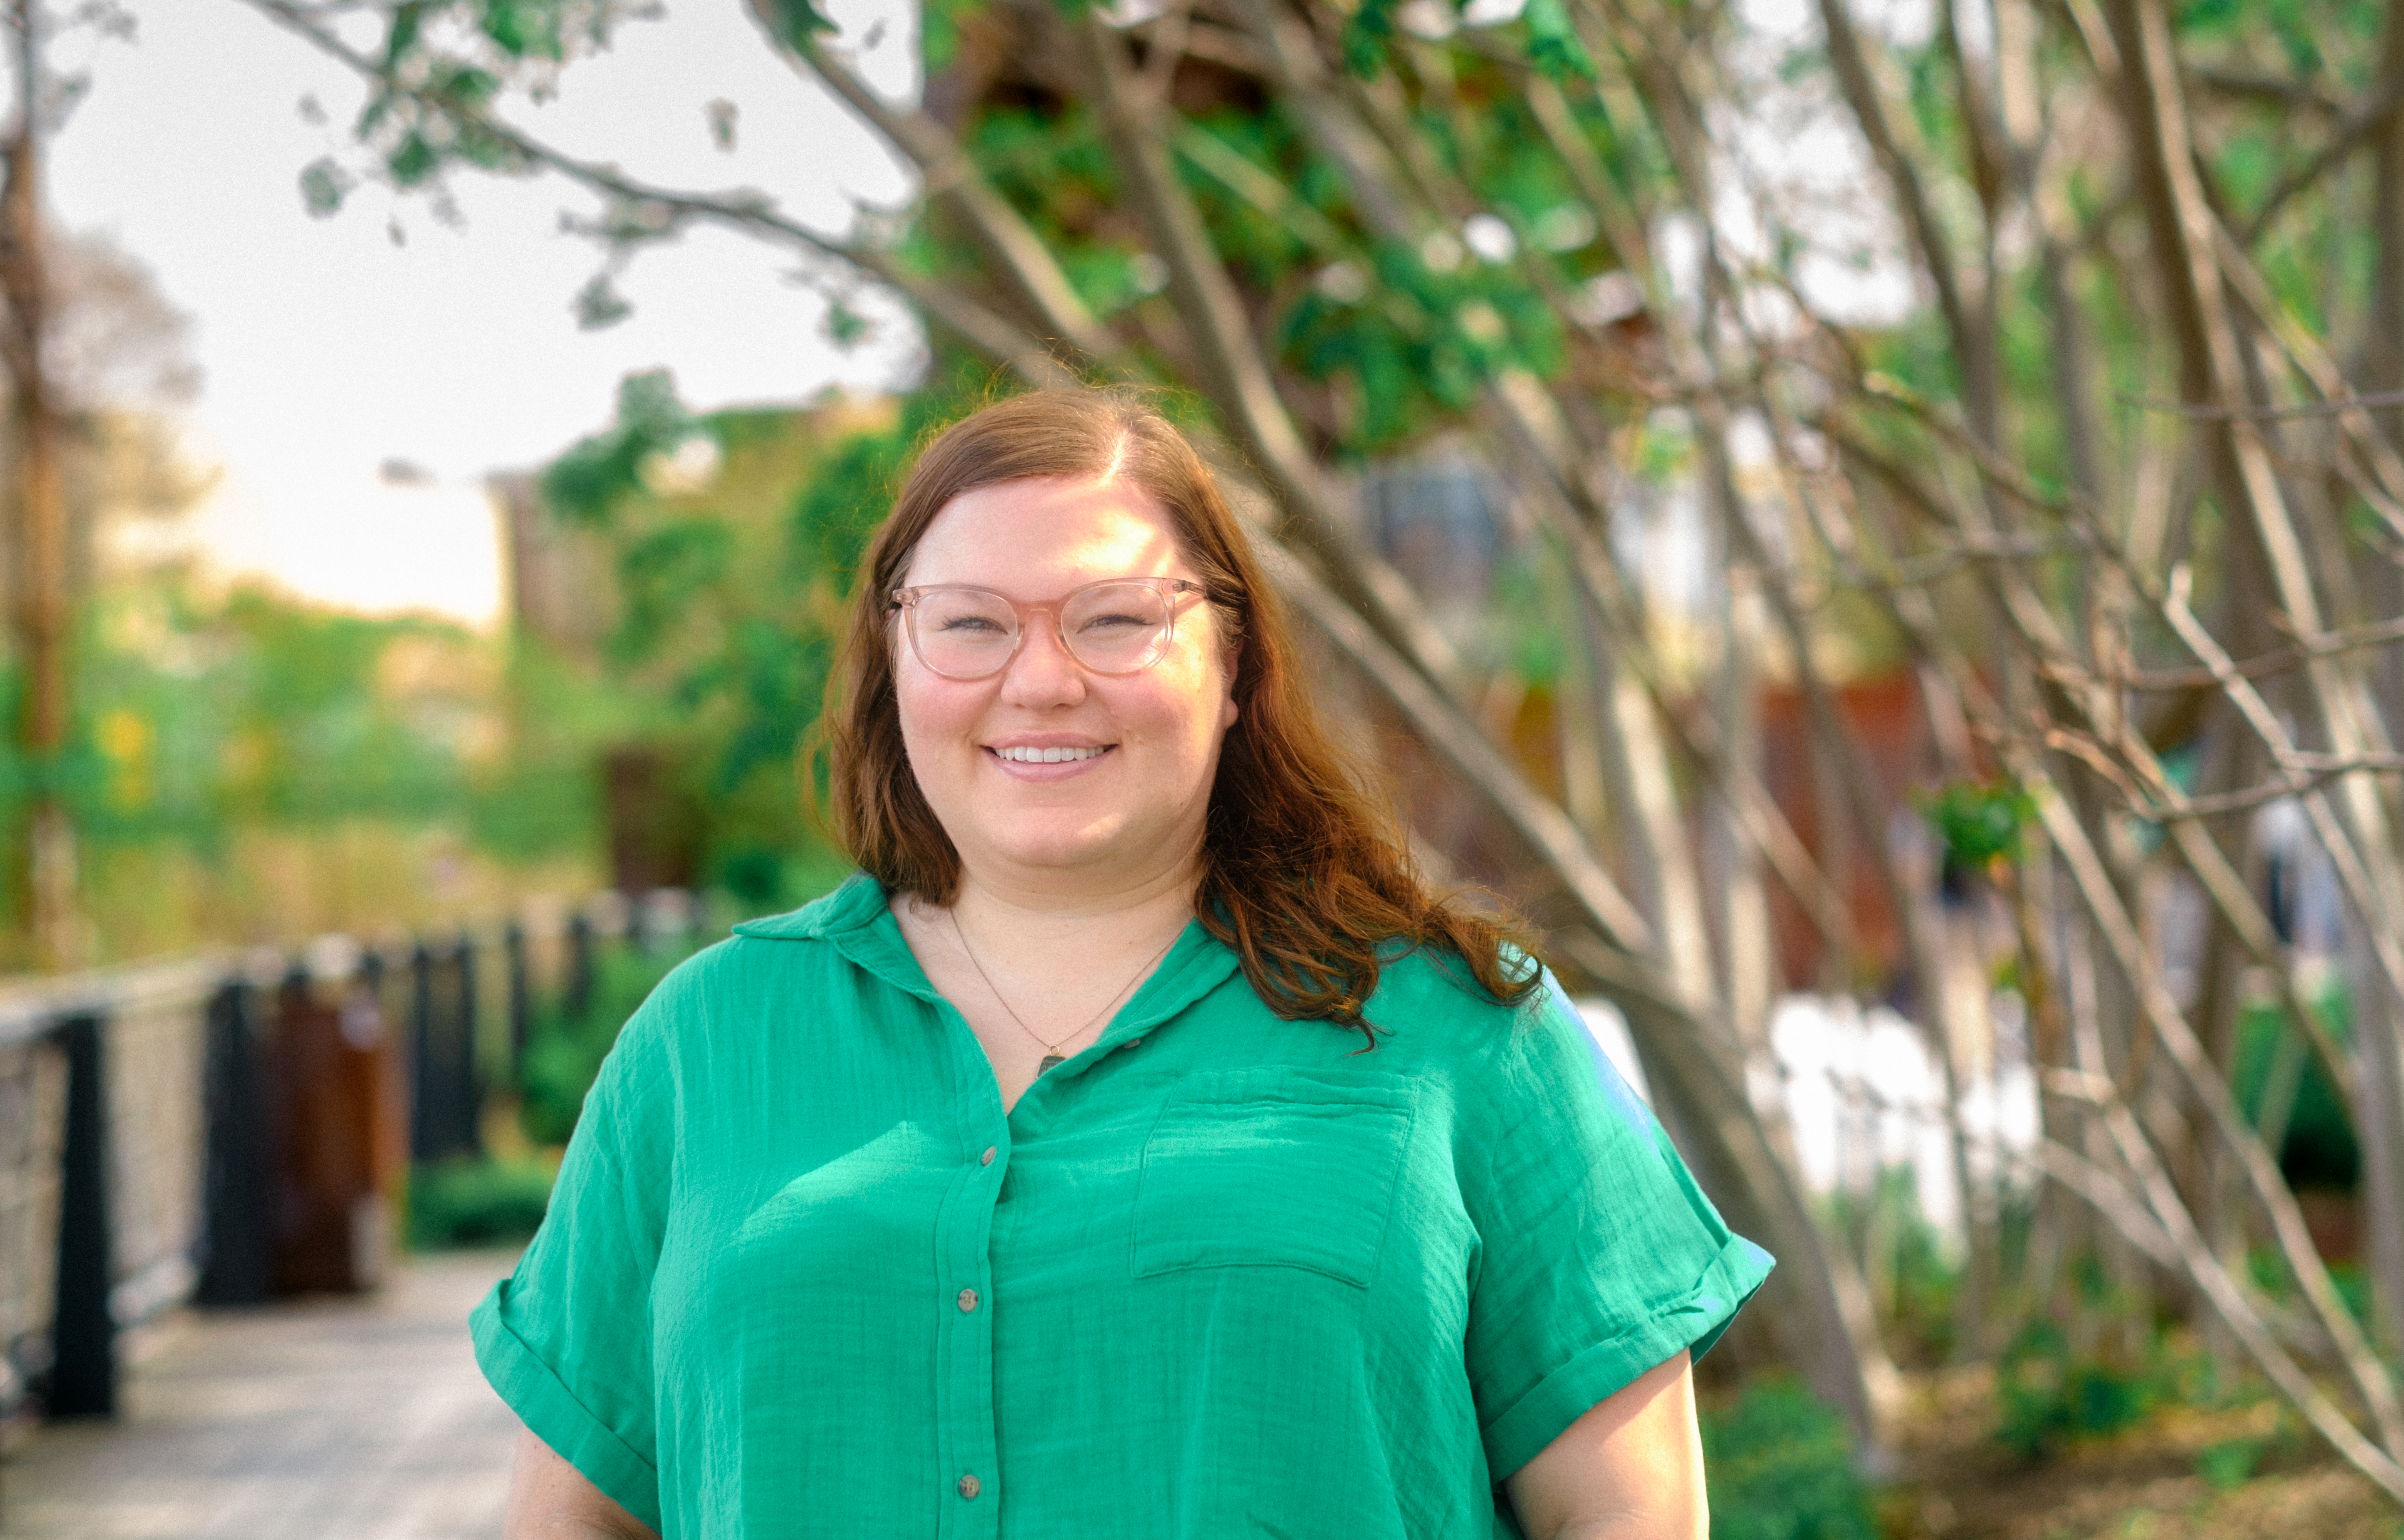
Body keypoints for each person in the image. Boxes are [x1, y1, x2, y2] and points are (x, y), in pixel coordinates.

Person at [474, 388, 1772, 1540]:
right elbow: (573, 1515)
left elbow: (1629, 1510)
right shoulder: (711, 1043)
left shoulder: (1457, 1033)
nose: (1040, 681)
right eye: (971, 624)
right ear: (895, 663)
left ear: (1234, 666)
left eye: (1113, 619)